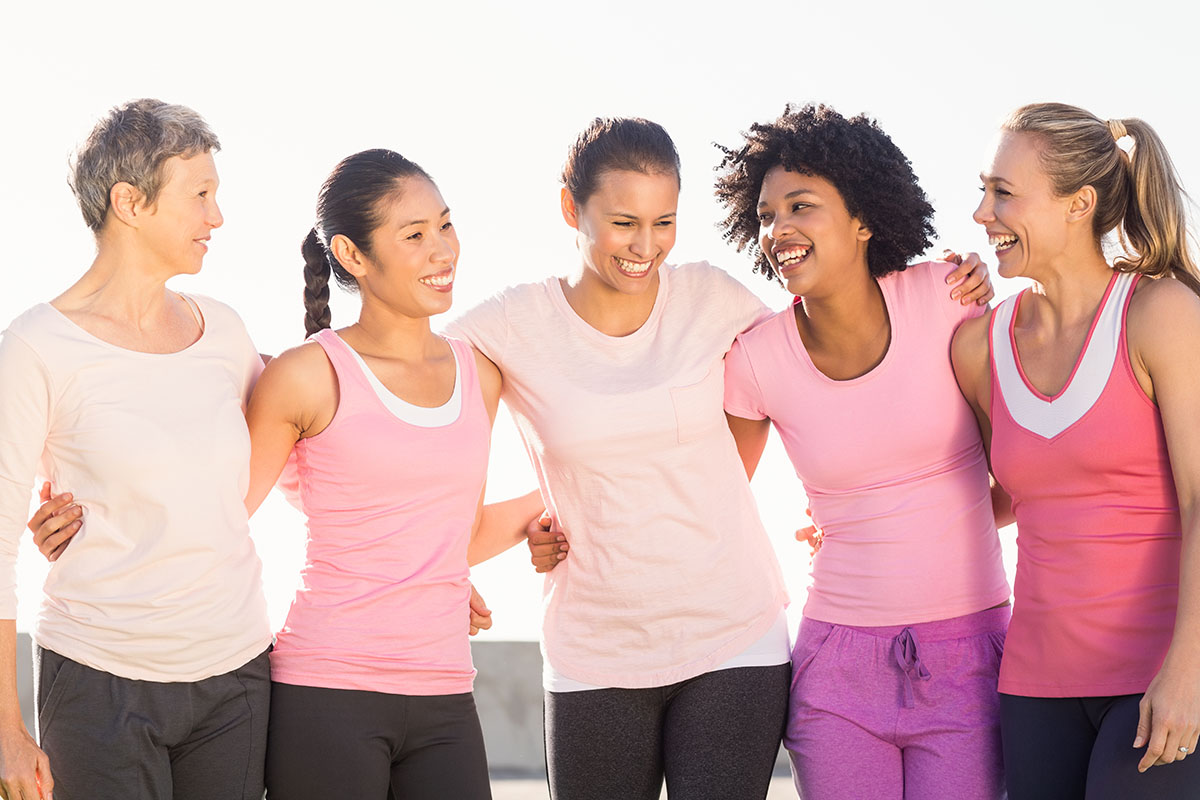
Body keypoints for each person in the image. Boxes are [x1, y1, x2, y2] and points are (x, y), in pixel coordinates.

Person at [447, 116, 994, 799]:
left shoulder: (713, 299)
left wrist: (951, 278)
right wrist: (512, 527)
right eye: (623, 223)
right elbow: (411, 409)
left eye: (664, 222)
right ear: (571, 209)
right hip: (594, 643)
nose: (645, 247)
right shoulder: (509, 326)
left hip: (736, 636)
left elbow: (826, 374)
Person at [715, 103, 1011, 800]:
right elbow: (714, 503)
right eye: (763, 215)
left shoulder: (947, 299)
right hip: (837, 666)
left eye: (801, 206)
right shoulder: (755, 360)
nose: (777, 229)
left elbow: (1022, 475)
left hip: (969, 654)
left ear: (864, 219)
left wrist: (931, 527)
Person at [243, 149, 546, 799]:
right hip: (326, 693)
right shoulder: (304, 374)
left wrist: (550, 503)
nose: (443, 250)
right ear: (352, 255)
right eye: (414, 235)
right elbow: (218, 516)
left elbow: (453, 538)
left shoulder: (479, 375)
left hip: (444, 696)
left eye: (445, 225)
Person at [0, 99, 272, 800]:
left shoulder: (226, 333)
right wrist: (5, 725)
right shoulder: (35, 349)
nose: (218, 217)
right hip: (98, 679)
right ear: (130, 202)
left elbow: (305, 448)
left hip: (235, 674)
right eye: (201, 195)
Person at [951, 102, 1200, 800]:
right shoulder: (978, 345)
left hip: (1159, 676)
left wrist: (1189, 671)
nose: (981, 213)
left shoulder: (1160, 313)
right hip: (1035, 688)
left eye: (1003, 193)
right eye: (983, 189)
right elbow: (1005, 495)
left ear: (1078, 204)